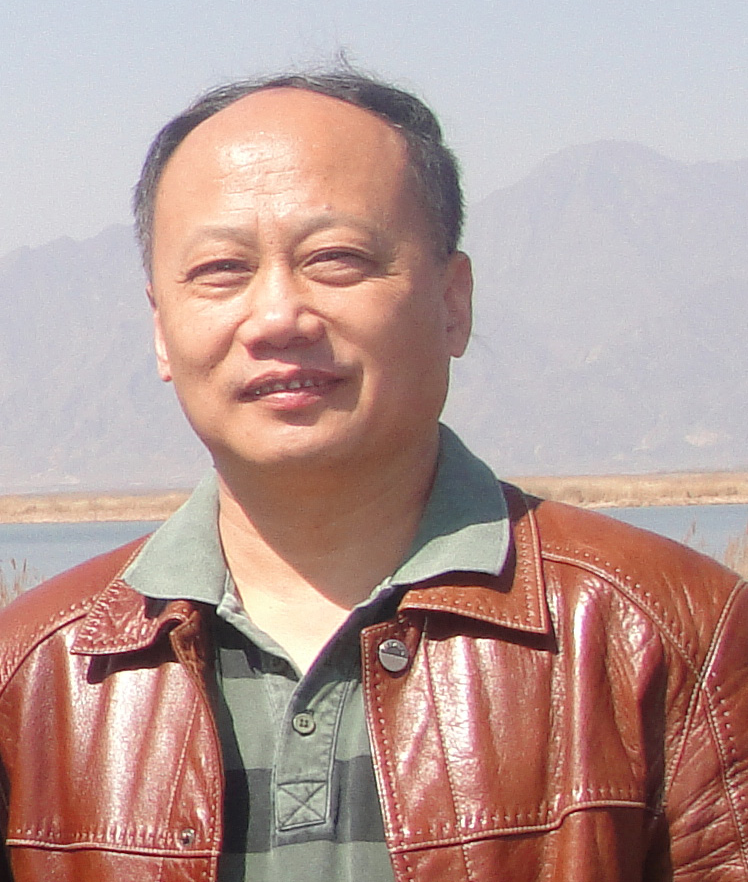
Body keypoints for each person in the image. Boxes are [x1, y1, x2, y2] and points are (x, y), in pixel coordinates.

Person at [1, 68, 747, 882]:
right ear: (160, 329)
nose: (276, 316)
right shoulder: (34, 674)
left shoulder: (672, 635)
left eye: (336, 259)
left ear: (454, 303)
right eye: (221, 270)